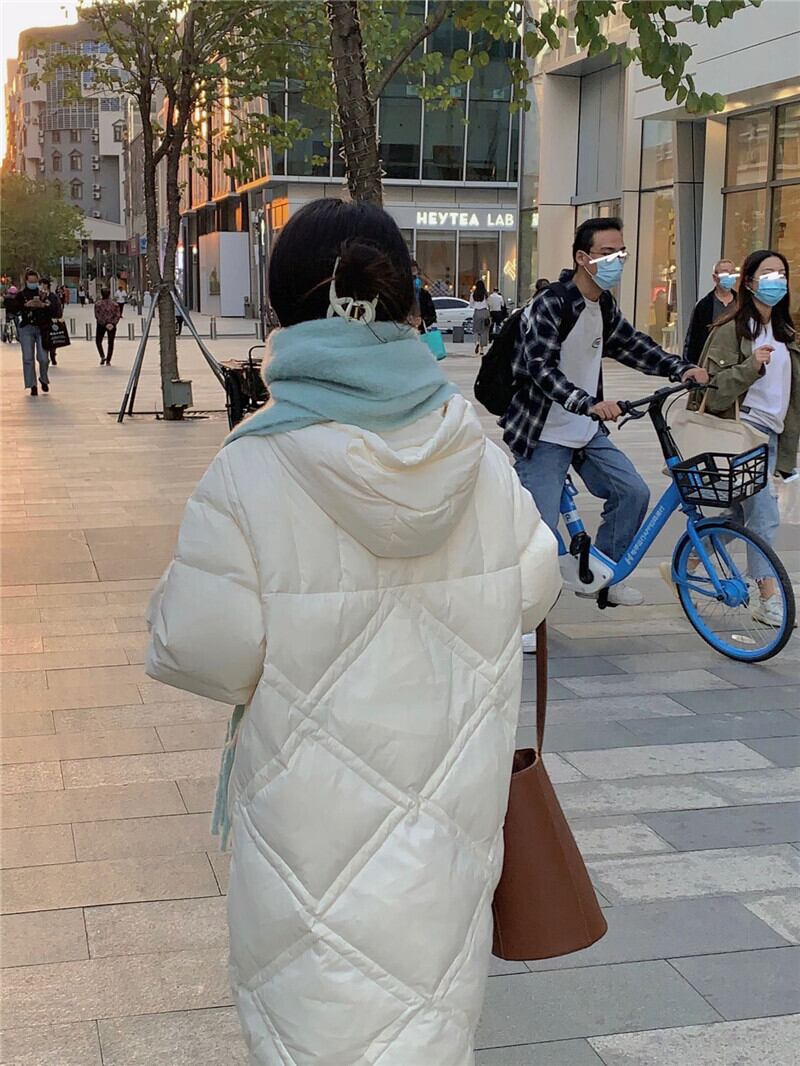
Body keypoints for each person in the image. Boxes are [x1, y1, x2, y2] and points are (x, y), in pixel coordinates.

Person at [145, 197, 561, 1066]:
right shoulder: (478, 456)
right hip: (447, 832)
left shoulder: (251, 468)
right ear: (409, 302)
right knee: (429, 1022)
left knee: (315, 1028)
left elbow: (202, 651)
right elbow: (536, 587)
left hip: (310, 842)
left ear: (280, 314)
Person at [501, 216, 708, 631]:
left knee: (632, 492)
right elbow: (539, 367)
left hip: (584, 430)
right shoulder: (552, 303)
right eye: (607, 253)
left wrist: (680, 368)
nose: (617, 260)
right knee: (537, 533)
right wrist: (588, 403)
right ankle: (520, 621)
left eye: (621, 253)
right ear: (582, 257)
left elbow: (633, 345)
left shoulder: (604, 305)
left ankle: (604, 576)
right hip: (542, 432)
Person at [693, 248, 799, 627]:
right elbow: (710, 391)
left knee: (741, 513)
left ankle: (689, 561)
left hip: (772, 435)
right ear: (749, 282)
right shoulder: (731, 330)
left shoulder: (787, 333)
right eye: (767, 274)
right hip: (743, 435)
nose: (776, 281)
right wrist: (750, 367)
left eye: (781, 274)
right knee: (765, 515)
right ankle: (766, 598)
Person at [4, 268, 54, 395]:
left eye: (35, 281)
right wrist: (26, 305)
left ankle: (43, 378)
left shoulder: (43, 294)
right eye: (31, 281)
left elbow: (54, 309)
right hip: (26, 328)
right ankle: (32, 385)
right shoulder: (21, 295)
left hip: (42, 328)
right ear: (26, 281)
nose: (33, 284)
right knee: (28, 358)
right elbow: (13, 308)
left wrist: (43, 305)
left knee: (44, 358)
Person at [683, 258, 738, 364]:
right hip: (711, 361)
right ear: (714, 277)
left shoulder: (742, 304)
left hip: (737, 360)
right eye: (725, 273)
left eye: (732, 273)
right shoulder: (704, 306)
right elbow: (693, 339)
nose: (729, 276)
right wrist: (690, 366)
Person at [38, 278, 63, 366]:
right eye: (41, 285)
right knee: (45, 339)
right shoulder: (39, 296)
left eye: (43, 284)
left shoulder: (53, 296)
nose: (42, 286)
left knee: (53, 338)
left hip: (52, 320)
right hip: (43, 321)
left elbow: (58, 307)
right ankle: (46, 357)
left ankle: (53, 354)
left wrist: (58, 317)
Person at [94, 286, 122, 364]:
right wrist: (113, 323)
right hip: (112, 326)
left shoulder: (98, 304)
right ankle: (108, 360)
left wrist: (105, 323)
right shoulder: (115, 304)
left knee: (98, 341)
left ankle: (102, 356)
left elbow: (97, 316)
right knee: (111, 342)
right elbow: (118, 315)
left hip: (101, 325)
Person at [411, 259, 436, 333]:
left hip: (420, 331)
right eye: (412, 277)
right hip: (404, 333)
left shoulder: (424, 295)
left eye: (415, 276)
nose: (414, 279)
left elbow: (432, 315)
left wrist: (422, 321)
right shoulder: (400, 294)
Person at [470, 278, 490, 356]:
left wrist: (476, 305)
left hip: (477, 312)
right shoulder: (485, 294)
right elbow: (488, 303)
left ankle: (477, 342)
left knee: (476, 330)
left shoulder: (473, 294)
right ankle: (482, 349)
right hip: (484, 312)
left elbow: (471, 304)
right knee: (484, 331)